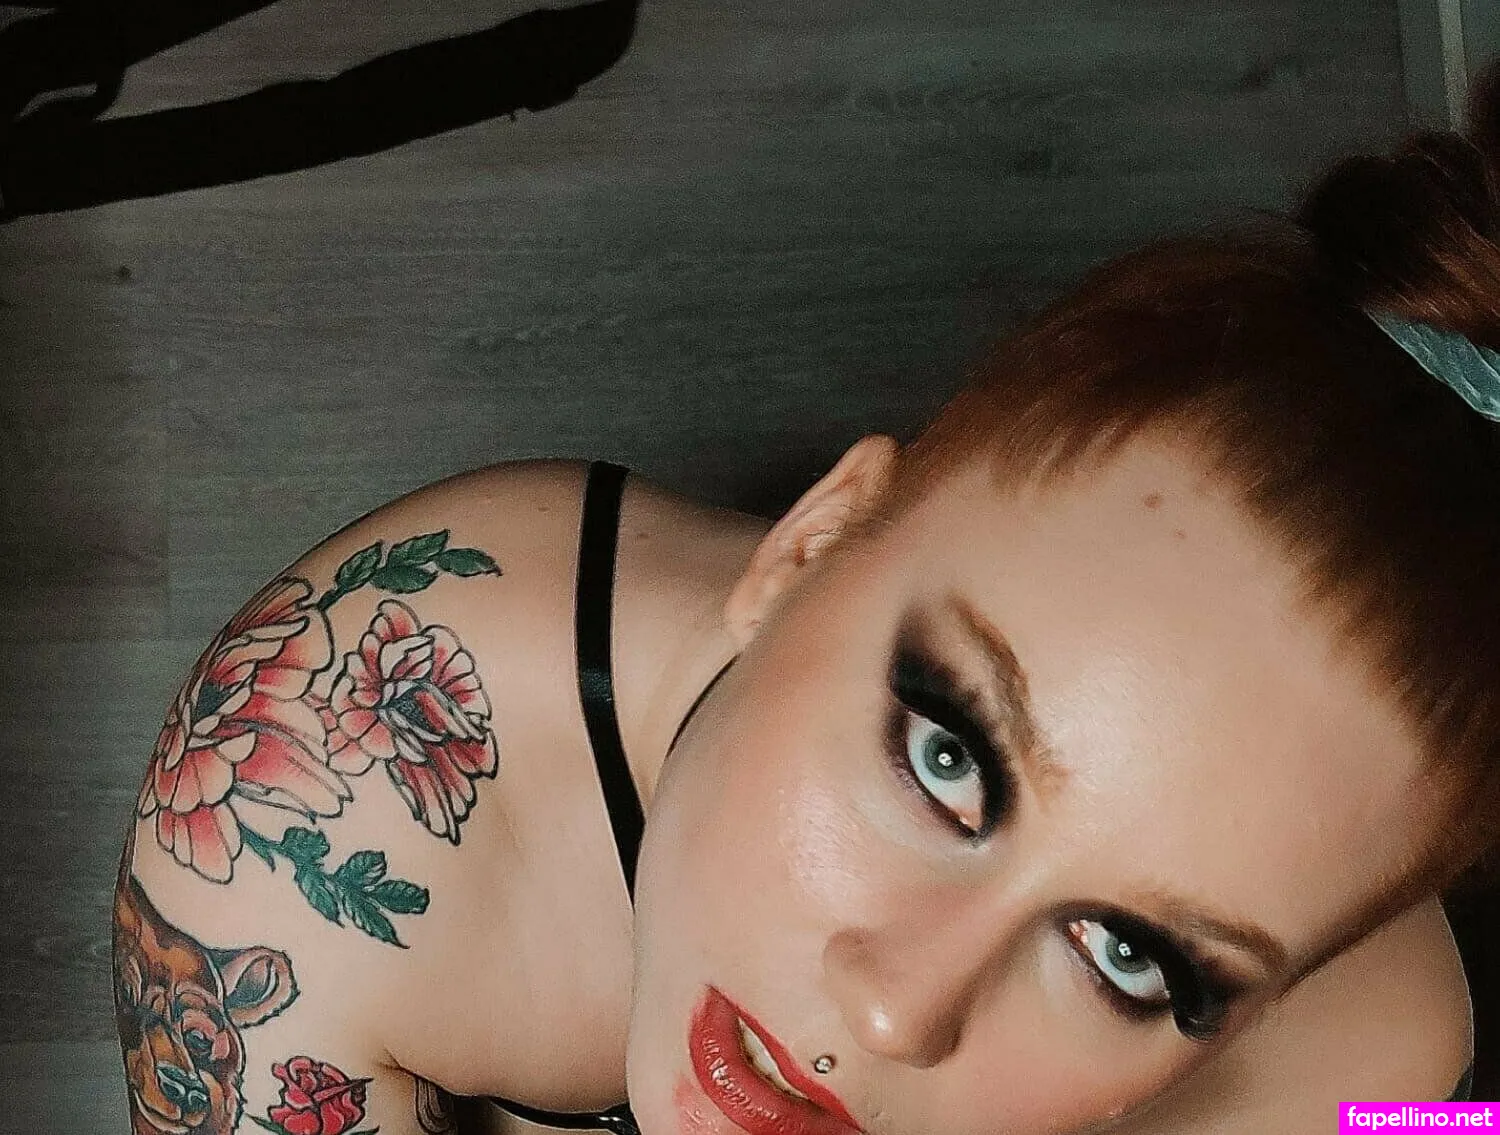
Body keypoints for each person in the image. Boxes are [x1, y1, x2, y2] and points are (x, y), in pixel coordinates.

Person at [111, 71, 1500, 1135]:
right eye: (946, 754)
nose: (899, 1011)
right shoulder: (309, 823)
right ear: (812, 542)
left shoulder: (1385, 1069)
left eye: (1132, 959)